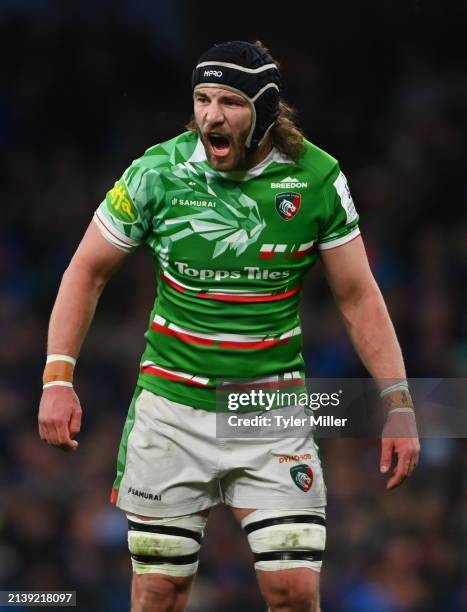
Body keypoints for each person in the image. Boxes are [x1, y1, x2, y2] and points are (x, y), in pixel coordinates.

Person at [38, 40, 420, 612]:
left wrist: (399, 402)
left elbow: (358, 296)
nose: (210, 116)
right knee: (160, 592)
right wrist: (57, 379)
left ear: (265, 110)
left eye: (230, 102)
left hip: (269, 408)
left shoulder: (316, 179)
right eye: (202, 99)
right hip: (170, 407)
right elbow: (85, 271)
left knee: (293, 590)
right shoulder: (156, 172)